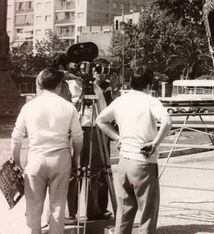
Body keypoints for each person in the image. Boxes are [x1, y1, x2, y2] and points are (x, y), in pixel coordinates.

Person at [96, 66, 172, 233]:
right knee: (147, 213)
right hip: (143, 161)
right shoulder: (151, 101)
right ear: (148, 84)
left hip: (124, 162)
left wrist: (117, 137)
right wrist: (155, 143)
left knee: (124, 211)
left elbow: (100, 120)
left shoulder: (121, 100)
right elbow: (167, 122)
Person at [10, 68, 84, 234]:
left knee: (34, 205)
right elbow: (78, 138)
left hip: (36, 158)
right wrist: (75, 157)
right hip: (60, 157)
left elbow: (17, 136)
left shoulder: (29, 107)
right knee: (58, 205)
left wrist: (16, 161)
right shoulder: (68, 107)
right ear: (59, 85)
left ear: (40, 84)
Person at [66, 63, 111, 222]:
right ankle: (70, 213)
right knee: (72, 173)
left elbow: (104, 114)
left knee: (94, 172)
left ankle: (94, 210)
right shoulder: (69, 87)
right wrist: (79, 100)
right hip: (74, 131)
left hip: (93, 131)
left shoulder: (96, 89)